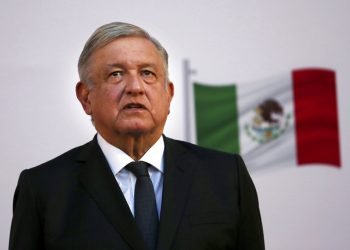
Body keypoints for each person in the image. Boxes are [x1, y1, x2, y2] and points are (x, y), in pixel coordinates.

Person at [9, 22, 264, 250]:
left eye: (147, 73)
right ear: (86, 97)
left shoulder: (227, 176)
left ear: (169, 95)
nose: (135, 87)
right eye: (116, 74)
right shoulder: (42, 189)